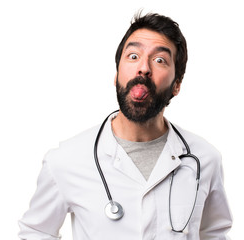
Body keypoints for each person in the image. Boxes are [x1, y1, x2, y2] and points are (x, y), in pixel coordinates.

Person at [18, 12, 232, 240]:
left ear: (176, 85)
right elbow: (36, 232)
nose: (143, 68)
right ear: (117, 74)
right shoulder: (65, 160)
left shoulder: (204, 159)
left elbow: (214, 233)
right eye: (133, 56)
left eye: (160, 60)